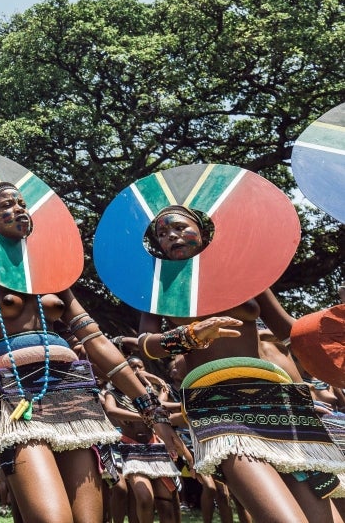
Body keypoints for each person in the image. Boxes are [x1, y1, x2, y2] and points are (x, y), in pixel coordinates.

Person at [0, 181, 187, 523]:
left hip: (74, 396)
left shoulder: (51, 270)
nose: (18, 209)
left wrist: (151, 409)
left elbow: (96, 341)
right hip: (18, 397)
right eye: (7, 206)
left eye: (22, 203)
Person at [138, 204, 345, 523]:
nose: (171, 236)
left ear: (204, 234)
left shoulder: (244, 271)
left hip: (282, 403)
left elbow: (289, 331)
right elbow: (146, 346)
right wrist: (188, 335)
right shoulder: (157, 287)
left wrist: (332, 328)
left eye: (179, 227)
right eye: (162, 234)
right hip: (218, 406)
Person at [101, 357, 181, 523]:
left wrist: (185, 406)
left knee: (166, 505)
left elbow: (160, 407)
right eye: (132, 368)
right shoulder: (113, 393)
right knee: (144, 500)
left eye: (139, 366)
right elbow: (111, 410)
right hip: (130, 449)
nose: (136, 371)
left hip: (154, 447)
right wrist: (144, 416)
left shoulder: (147, 394)